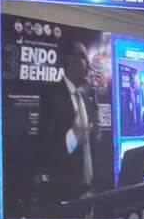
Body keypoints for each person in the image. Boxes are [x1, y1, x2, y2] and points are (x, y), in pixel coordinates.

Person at [37, 40, 102, 203]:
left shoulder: (86, 98)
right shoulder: (51, 96)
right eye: (83, 57)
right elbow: (44, 149)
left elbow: (93, 145)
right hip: (66, 195)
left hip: (93, 192)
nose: (89, 64)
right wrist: (72, 137)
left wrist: (96, 134)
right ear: (69, 60)